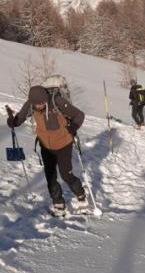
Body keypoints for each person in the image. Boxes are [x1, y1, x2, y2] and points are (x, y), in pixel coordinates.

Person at [7, 83, 94, 216]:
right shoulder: (31, 104)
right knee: (50, 176)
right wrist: (13, 121)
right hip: (45, 145)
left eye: (42, 103)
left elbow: (79, 115)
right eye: (37, 104)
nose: (40, 106)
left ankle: (81, 194)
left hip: (64, 143)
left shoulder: (56, 101)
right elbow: (21, 117)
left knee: (66, 174)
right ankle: (58, 202)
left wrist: (73, 126)